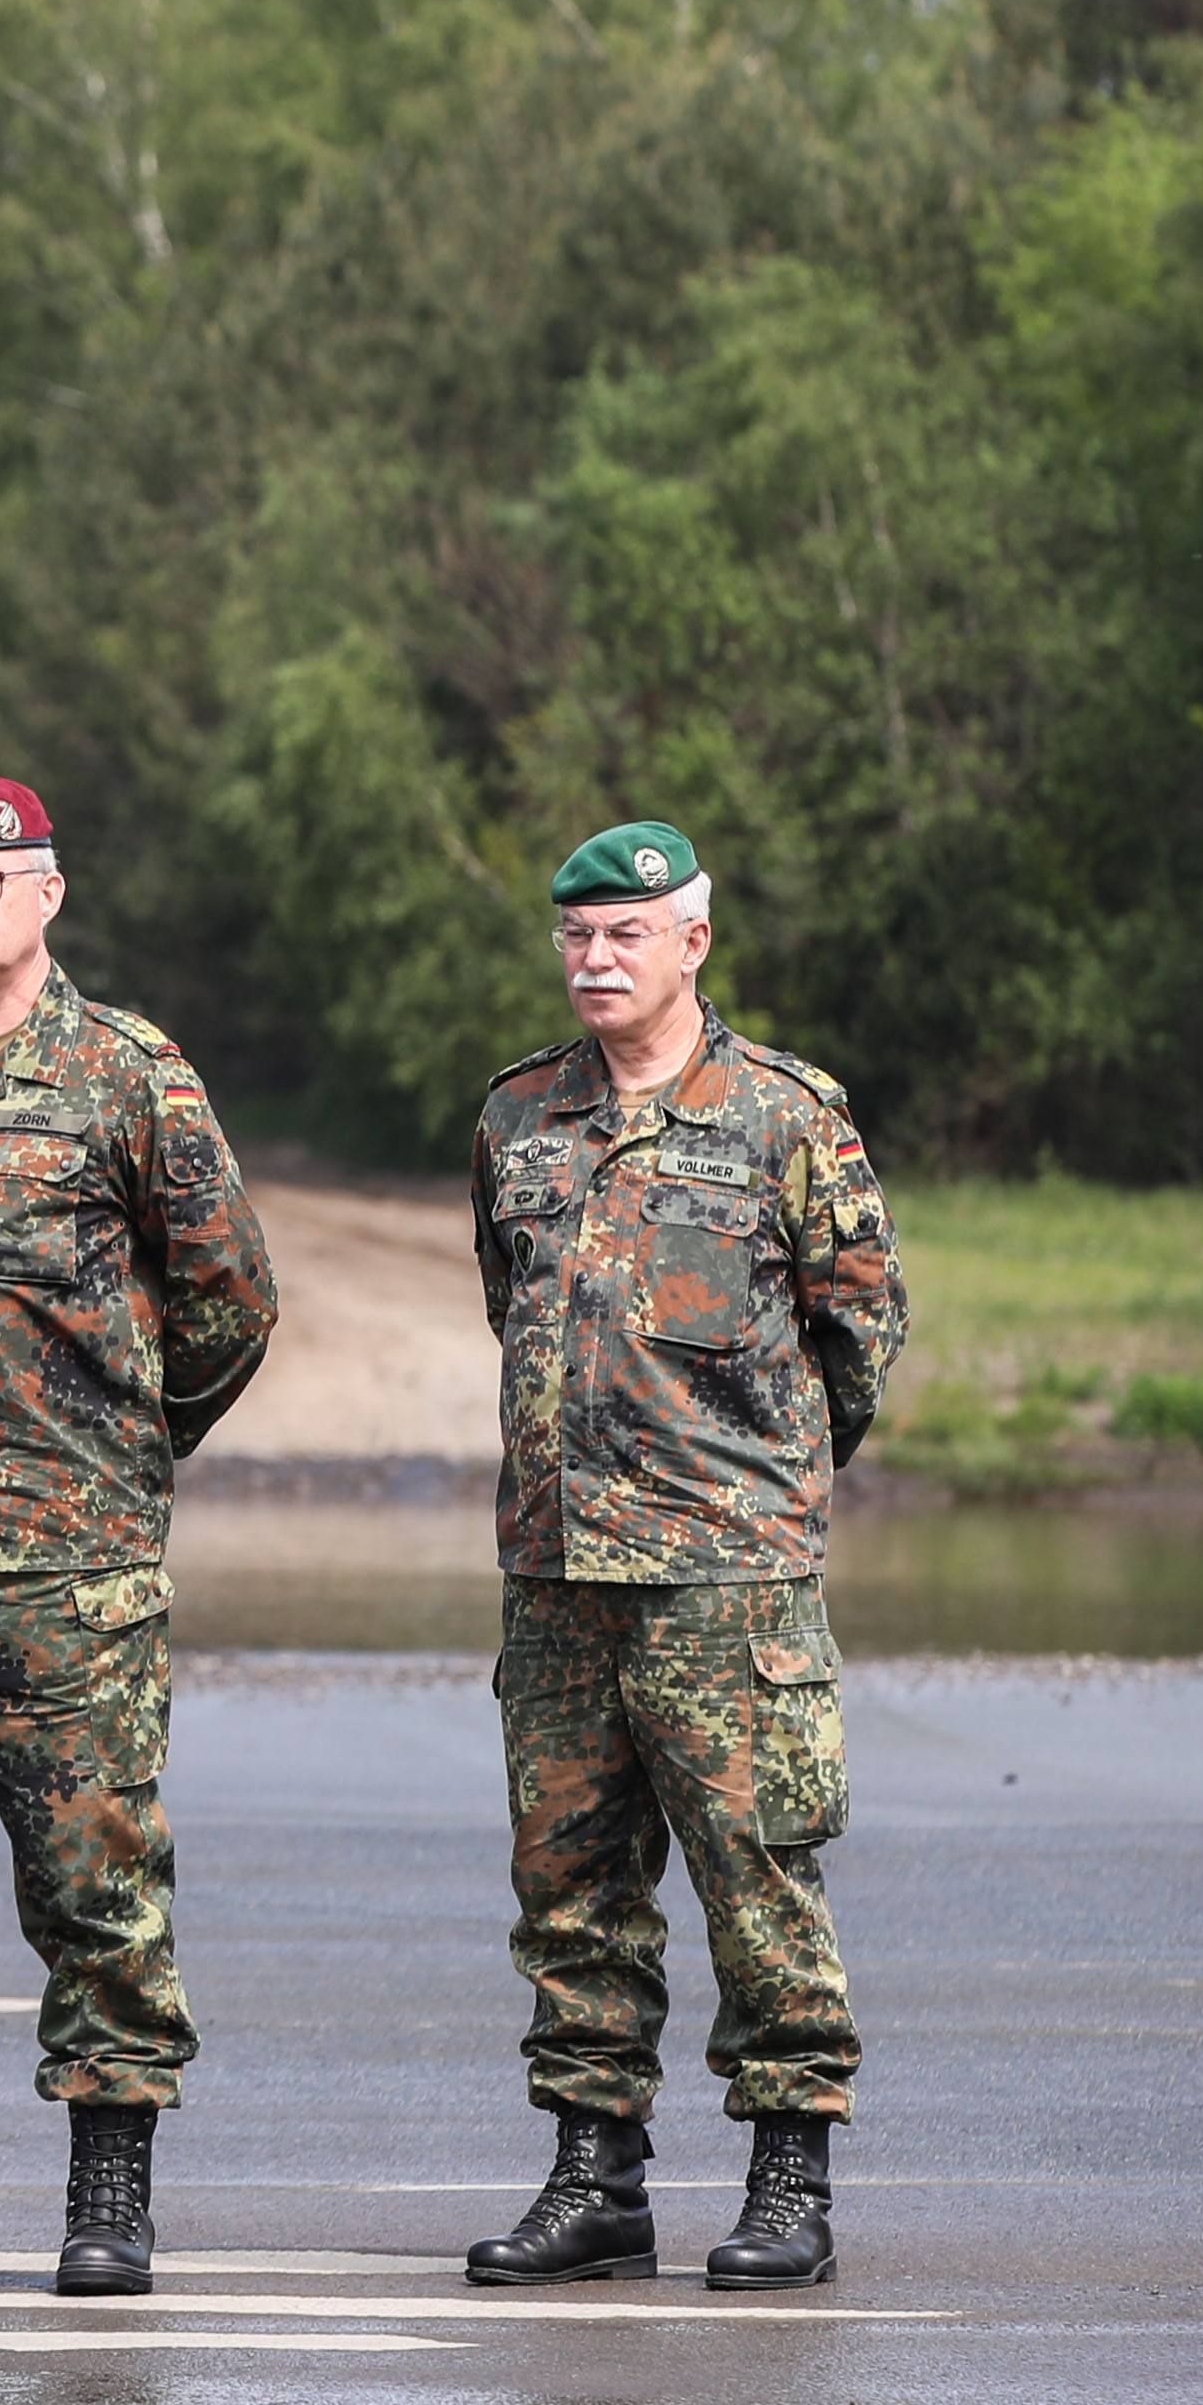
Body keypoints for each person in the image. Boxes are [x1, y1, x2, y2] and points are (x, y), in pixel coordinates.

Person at [0, 777, 277, 2299]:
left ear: (47, 894)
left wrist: (127, 1444)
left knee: (93, 1887)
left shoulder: (124, 1072)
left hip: (65, 1562)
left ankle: (104, 2190)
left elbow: (227, 1300)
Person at [461, 821, 900, 2294]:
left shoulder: (784, 1116)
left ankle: (787, 2179)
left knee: (756, 1877)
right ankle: (593, 2178)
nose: (592, 958)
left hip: (724, 1581)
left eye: (622, 934)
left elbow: (856, 1334)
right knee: (568, 1887)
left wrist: (751, 1488)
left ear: (690, 943)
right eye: (573, 935)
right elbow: (508, 1303)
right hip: (554, 1577)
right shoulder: (517, 1117)